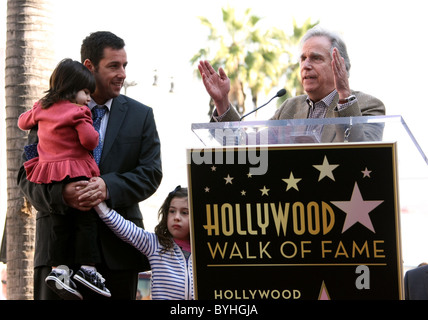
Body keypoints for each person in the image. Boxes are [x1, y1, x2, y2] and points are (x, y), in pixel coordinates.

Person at [17, 31, 162, 300]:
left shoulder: (142, 116)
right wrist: (62, 194)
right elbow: (25, 176)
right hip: (58, 258)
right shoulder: (46, 110)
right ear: (89, 66)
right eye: (113, 66)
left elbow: (151, 173)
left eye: (125, 66)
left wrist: (107, 187)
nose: (122, 74)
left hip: (117, 256)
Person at [17, 58, 110, 300]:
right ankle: (87, 269)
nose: (88, 98)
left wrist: (38, 111)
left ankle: (59, 271)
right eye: (86, 92)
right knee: (85, 220)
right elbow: (90, 141)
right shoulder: (79, 112)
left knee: (60, 225)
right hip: (77, 170)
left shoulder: (41, 109)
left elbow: (21, 121)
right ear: (71, 88)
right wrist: (90, 127)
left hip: (50, 173)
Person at [198, 26, 386, 142]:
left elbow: (363, 156)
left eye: (315, 58)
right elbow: (245, 146)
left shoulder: (368, 106)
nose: (306, 65)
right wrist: (222, 102)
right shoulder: (290, 107)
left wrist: (344, 95)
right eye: (303, 59)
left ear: (340, 65)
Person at [94, 186, 193, 300]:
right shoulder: (156, 244)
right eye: (172, 211)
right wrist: (98, 204)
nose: (176, 217)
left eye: (184, 212)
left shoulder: (208, 249)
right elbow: (126, 228)